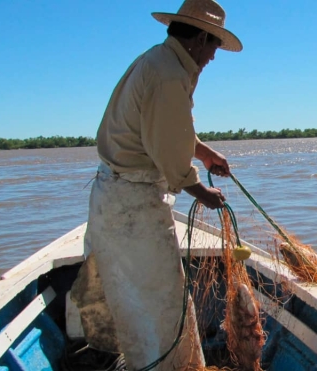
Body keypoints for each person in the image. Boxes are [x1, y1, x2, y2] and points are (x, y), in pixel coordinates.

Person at [70, 0, 243, 369]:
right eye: (213, 46)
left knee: (122, 292)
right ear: (199, 38)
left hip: (114, 197)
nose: (213, 57)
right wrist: (201, 190)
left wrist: (203, 152)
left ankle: (122, 357)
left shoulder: (159, 61)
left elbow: (161, 128)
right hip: (133, 206)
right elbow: (168, 149)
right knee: (162, 298)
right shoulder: (168, 75)